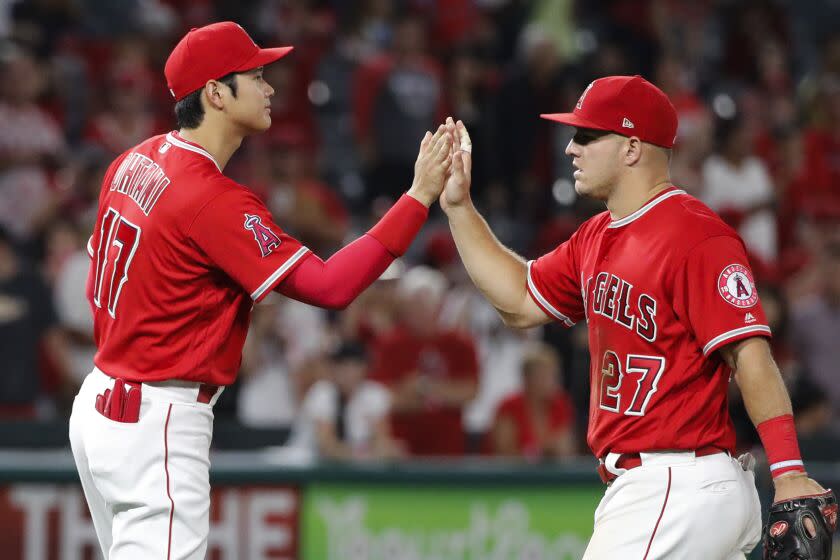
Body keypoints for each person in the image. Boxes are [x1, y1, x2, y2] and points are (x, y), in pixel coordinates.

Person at [68, 22, 453, 560]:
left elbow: (100, 280)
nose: (270, 88)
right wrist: (416, 198)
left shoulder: (133, 159)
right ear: (215, 93)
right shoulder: (211, 198)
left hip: (101, 402)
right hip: (157, 418)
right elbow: (330, 285)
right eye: (255, 76)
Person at [439, 76, 832, 558]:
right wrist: (459, 209)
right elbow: (520, 302)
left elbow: (749, 354)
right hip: (660, 488)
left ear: (630, 148)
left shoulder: (695, 235)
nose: (570, 149)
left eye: (587, 135)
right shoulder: (595, 236)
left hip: (676, 484)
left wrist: (789, 471)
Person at [285, 341, 403, 462]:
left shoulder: (374, 394)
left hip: (350, 468)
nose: (348, 371)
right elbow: (326, 446)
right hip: (305, 465)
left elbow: (382, 442)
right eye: (342, 365)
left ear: (365, 367)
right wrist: (365, 454)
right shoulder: (322, 392)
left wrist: (379, 450)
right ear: (333, 368)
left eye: (355, 365)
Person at [491, 341, 576, 460]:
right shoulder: (509, 406)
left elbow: (566, 448)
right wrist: (542, 451)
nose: (550, 382)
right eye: (542, 376)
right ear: (526, 378)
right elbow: (504, 452)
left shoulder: (561, 404)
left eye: (553, 375)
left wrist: (536, 451)